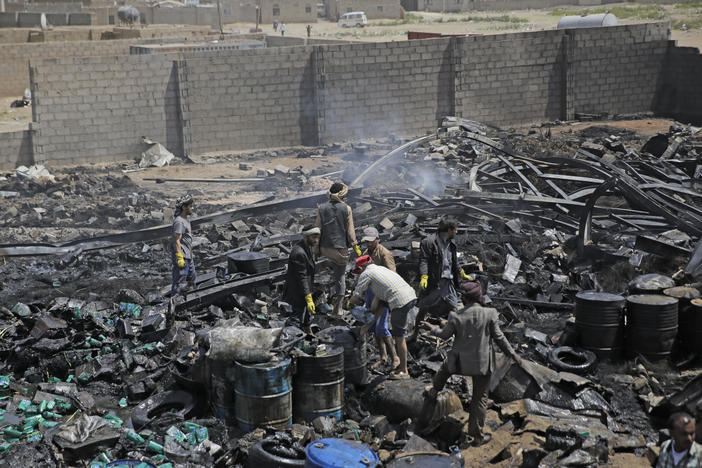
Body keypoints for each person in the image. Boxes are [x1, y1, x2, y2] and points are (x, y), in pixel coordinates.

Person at [423, 281, 522, 447]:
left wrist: (431, 328)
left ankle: (434, 391)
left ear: (464, 297)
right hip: (482, 365)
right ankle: (476, 437)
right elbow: (499, 338)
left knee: (445, 368)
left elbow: (444, 335)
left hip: (459, 363)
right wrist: (512, 354)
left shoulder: (456, 316)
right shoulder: (490, 313)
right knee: (480, 399)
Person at [347, 255, 416, 380]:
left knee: (399, 336)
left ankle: (404, 370)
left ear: (362, 267)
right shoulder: (380, 270)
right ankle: (395, 361)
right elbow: (377, 308)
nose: (359, 273)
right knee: (381, 307)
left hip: (400, 301)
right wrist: (364, 328)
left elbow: (356, 295)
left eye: (359, 270)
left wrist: (349, 304)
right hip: (410, 295)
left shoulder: (367, 273)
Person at [411, 217, 471, 341]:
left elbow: (454, 261)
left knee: (454, 309)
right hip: (435, 282)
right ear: (449, 229)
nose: (457, 232)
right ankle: (415, 334)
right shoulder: (429, 242)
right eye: (455, 229)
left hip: (448, 282)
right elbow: (424, 260)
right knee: (423, 309)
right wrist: (424, 276)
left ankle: (458, 337)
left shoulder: (451, 243)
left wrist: (461, 272)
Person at [315, 182, 361, 316]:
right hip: (340, 251)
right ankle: (338, 308)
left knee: (317, 270)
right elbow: (350, 232)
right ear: (343, 194)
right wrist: (355, 247)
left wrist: (315, 250)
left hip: (324, 248)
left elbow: (317, 229)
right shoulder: (346, 208)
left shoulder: (321, 207)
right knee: (340, 277)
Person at [361, 226, 398, 370]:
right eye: (367, 242)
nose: (369, 244)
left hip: (382, 293)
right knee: (373, 326)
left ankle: (395, 357)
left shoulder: (385, 253)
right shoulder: (366, 253)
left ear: (378, 239)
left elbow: (392, 275)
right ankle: (383, 357)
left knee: (381, 326)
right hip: (370, 292)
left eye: (371, 241)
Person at [283, 225, 320, 334]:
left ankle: (309, 335)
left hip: (305, 290)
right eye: (313, 237)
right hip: (297, 292)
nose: (316, 240)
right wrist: (308, 298)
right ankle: (288, 340)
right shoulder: (298, 252)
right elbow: (302, 277)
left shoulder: (307, 247)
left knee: (307, 316)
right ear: (306, 237)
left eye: (317, 237)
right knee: (295, 320)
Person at [171, 194, 196, 296]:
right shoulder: (179, 222)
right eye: (190, 206)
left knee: (192, 279)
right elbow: (176, 240)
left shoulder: (185, 220)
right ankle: (174, 305)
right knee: (180, 282)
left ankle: (191, 301)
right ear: (184, 207)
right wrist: (180, 258)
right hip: (182, 257)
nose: (192, 208)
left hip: (188, 256)